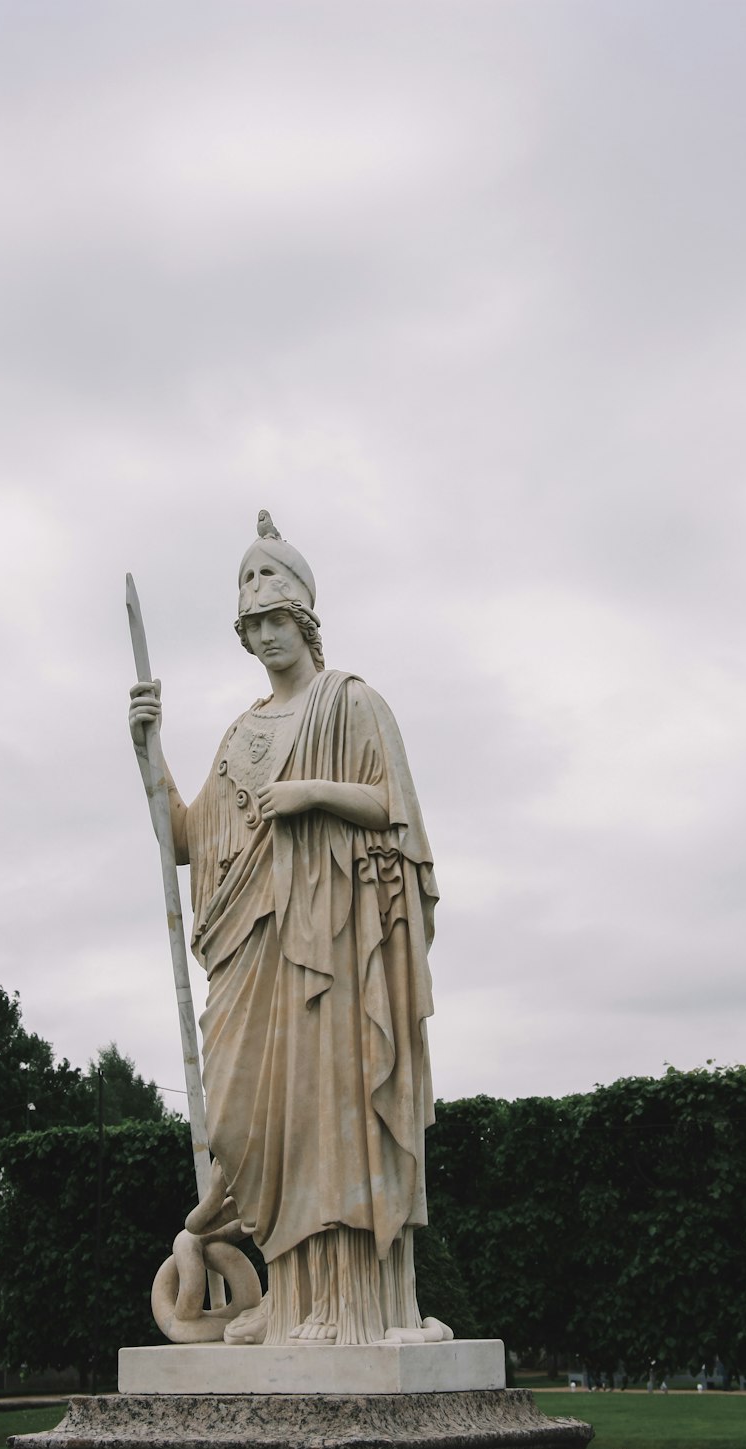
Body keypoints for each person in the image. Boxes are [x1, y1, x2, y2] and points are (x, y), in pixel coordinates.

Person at [130, 518, 443, 1346]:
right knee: (247, 1123)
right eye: (252, 627)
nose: (265, 638)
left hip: (333, 950)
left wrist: (310, 795)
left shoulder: (353, 704)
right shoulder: (240, 734)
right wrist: (148, 755)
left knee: (332, 1116)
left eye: (277, 621)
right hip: (252, 950)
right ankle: (290, 1295)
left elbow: (394, 811)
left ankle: (356, 1307)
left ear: (304, 621)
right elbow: (191, 840)